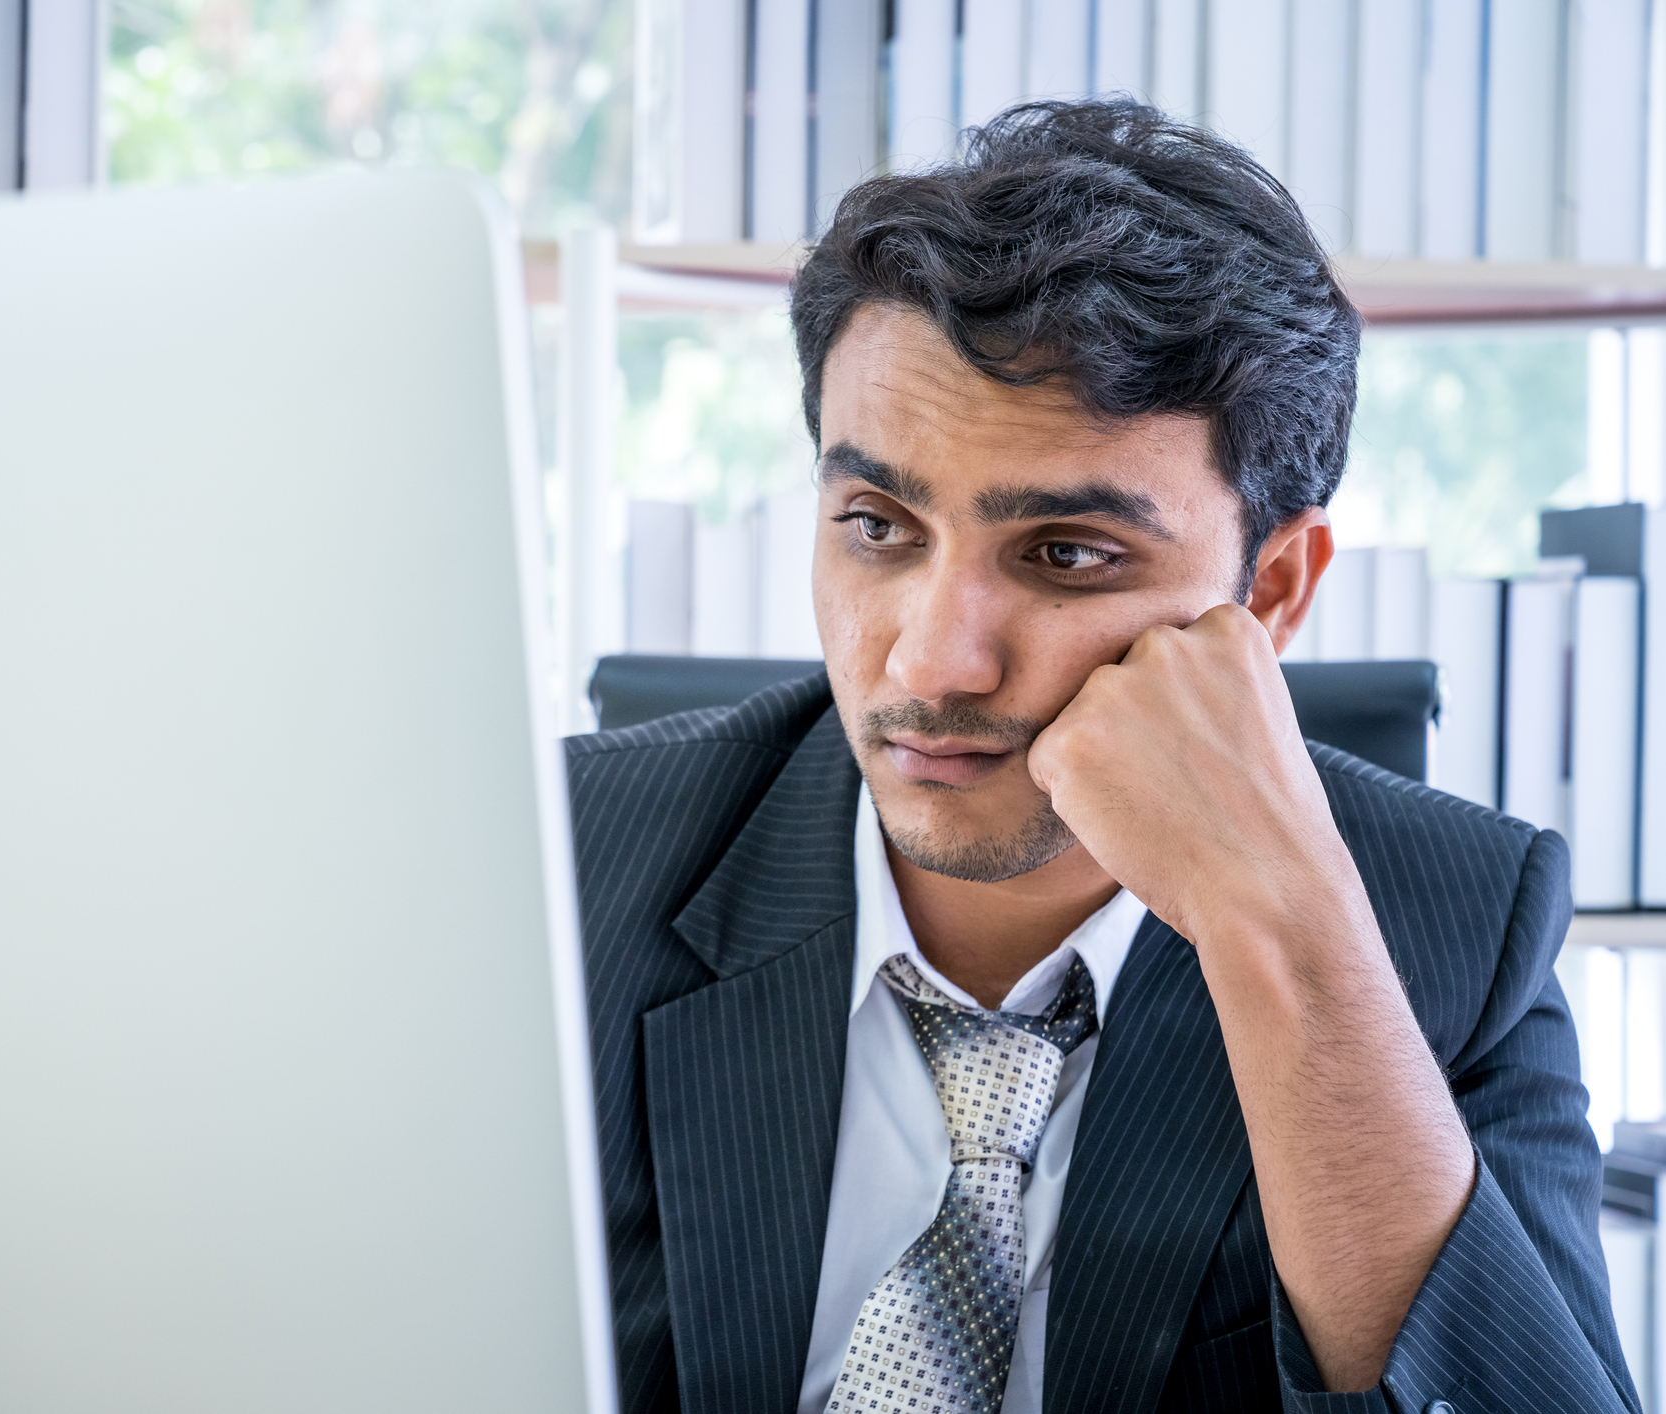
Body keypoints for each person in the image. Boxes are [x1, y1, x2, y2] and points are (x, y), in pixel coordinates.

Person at [567, 100, 1635, 1414]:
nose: (930, 663)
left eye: (1065, 552)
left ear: (1277, 586)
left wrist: (1278, 933)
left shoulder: (1455, 934)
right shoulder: (559, 865)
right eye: (876, 525)